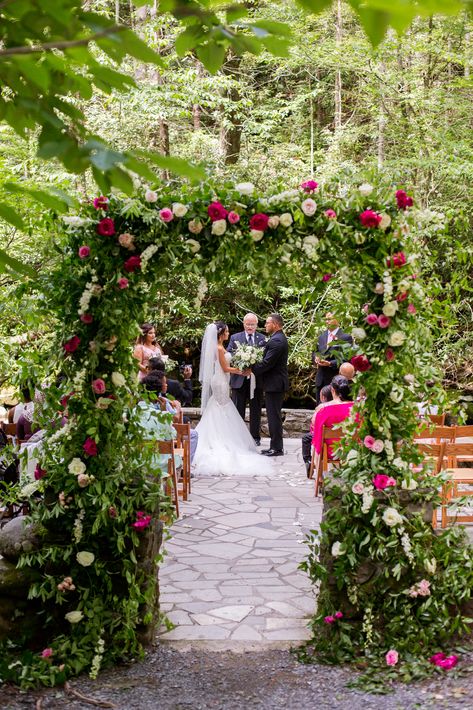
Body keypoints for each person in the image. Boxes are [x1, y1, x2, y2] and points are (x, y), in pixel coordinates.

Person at [193, 321, 272, 477]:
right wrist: (242, 371)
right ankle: (222, 440)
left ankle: (221, 436)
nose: (229, 334)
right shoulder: (219, 348)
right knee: (221, 406)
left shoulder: (219, 347)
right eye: (227, 332)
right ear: (221, 334)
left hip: (221, 380)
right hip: (220, 381)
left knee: (219, 407)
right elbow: (225, 368)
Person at [252, 313, 289, 457]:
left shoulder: (277, 341)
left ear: (275, 324)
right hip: (273, 383)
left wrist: (251, 368)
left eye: (267, 323)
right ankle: (274, 446)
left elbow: (267, 363)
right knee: (273, 415)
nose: (265, 325)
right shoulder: (276, 338)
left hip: (275, 384)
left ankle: (277, 448)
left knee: (274, 416)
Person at [226, 312, 266, 446]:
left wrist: (253, 366)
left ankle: (255, 437)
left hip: (257, 380)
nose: (250, 327)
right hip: (239, 379)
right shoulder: (235, 337)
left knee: (256, 410)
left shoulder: (262, 338)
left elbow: (265, 358)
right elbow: (229, 354)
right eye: (248, 324)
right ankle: (237, 437)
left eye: (252, 324)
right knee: (238, 410)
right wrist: (241, 360)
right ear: (243, 324)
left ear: (256, 325)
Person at [311, 375, 354, 475]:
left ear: (332, 390)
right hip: (352, 449)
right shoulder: (356, 407)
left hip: (331, 451)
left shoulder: (323, 408)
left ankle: (320, 478)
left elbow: (316, 432)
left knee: (316, 444)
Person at [313, 312, 353, 404]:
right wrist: (316, 358)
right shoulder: (321, 336)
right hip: (321, 379)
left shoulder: (345, 337)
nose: (327, 321)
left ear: (338, 320)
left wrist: (330, 363)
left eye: (330, 319)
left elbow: (346, 358)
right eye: (326, 319)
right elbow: (315, 351)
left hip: (335, 381)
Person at [301, 384, 333, 476]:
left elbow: (314, 423)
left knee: (306, 438)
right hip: (336, 439)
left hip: (321, 437)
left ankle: (308, 461)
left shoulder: (321, 408)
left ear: (323, 397)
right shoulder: (338, 406)